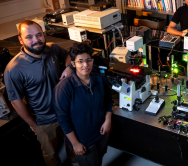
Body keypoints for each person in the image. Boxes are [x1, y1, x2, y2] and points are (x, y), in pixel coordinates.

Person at [4, 20, 76, 166]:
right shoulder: (14, 69)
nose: (36, 40)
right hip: (44, 121)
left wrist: (68, 67)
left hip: (65, 111)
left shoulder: (52, 49)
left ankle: (74, 161)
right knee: (51, 154)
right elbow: (15, 101)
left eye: (39, 35)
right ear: (20, 39)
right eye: (29, 37)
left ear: (43, 35)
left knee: (72, 142)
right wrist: (34, 125)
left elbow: (68, 55)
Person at [53, 42, 113, 166]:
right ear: (73, 64)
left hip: (101, 134)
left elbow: (108, 101)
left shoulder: (100, 79)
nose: (85, 65)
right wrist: (75, 143)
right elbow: (63, 119)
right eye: (80, 61)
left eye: (88, 60)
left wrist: (108, 120)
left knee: (98, 159)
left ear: (92, 60)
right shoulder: (64, 87)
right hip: (83, 140)